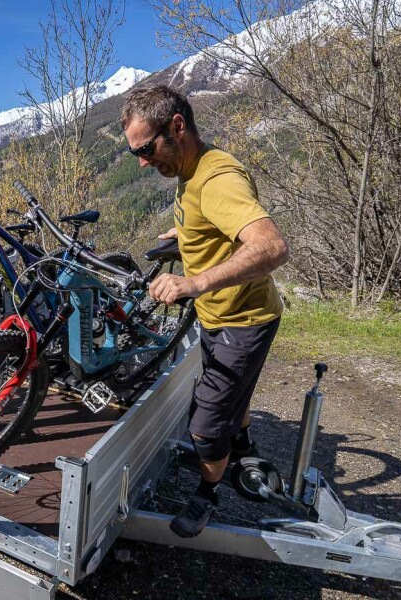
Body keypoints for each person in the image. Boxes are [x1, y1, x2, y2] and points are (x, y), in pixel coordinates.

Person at [120, 85, 289, 538]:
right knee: (233, 393)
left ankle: (208, 493)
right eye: (134, 151)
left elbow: (271, 247)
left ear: (177, 126)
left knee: (205, 424)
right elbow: (210, 220)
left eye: (145, 148)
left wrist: (192, 283)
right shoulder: (190, 169)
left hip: (243, 320)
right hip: (220, 315)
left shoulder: (216, 179)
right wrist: (183, 236)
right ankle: (246, 444)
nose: (142, 161)